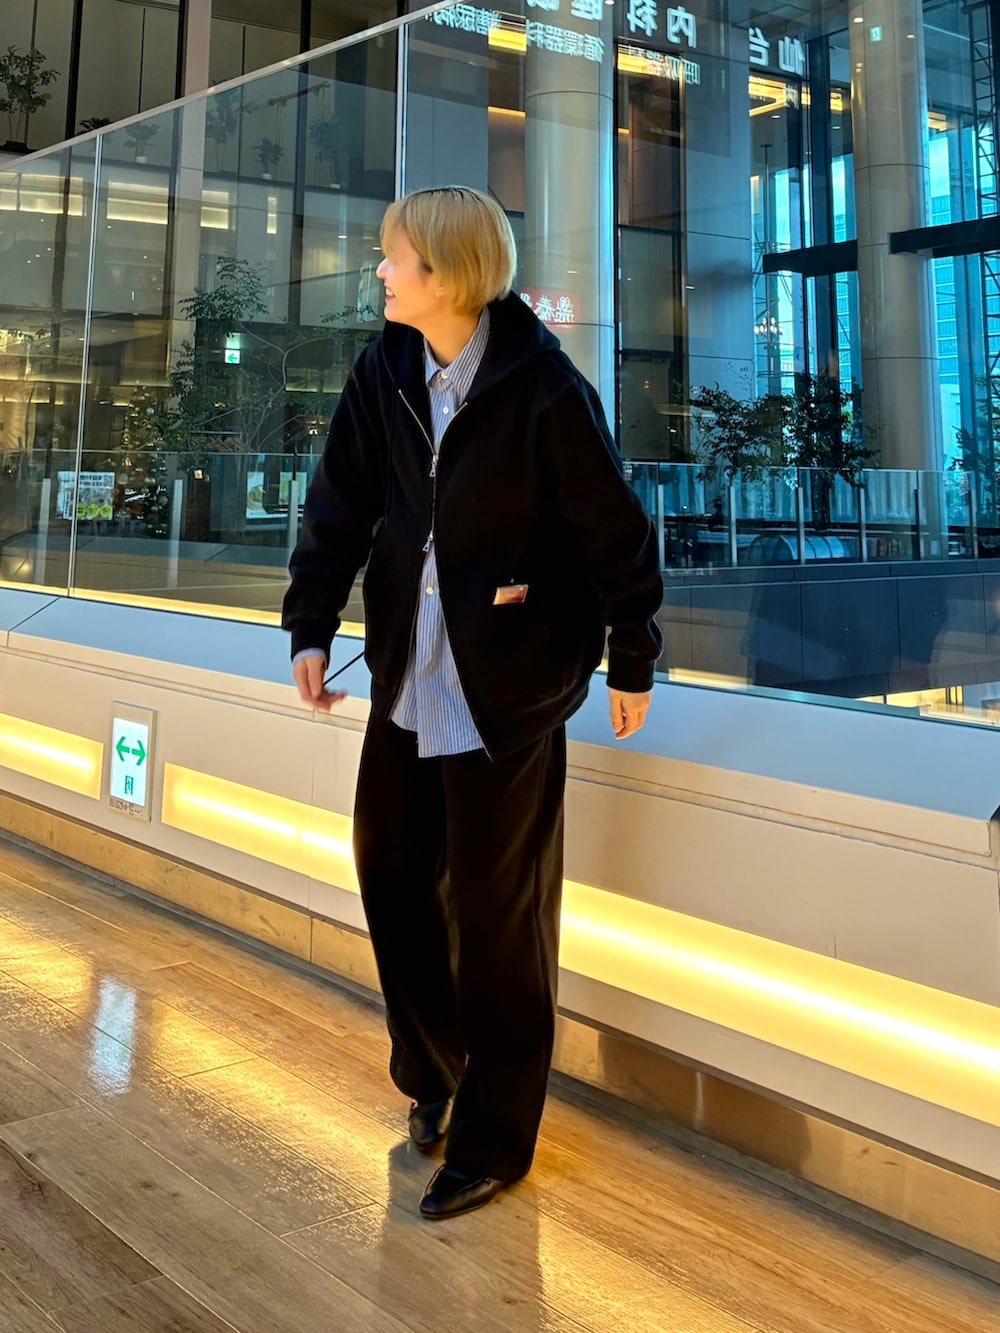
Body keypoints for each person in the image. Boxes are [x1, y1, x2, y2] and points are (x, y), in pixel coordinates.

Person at [282, 186, 663, 1220]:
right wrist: (310, 622)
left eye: (393, 256)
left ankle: (496, 1137)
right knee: (392, 878)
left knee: (502, 918)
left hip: (509, 690)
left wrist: (631, 658)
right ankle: (437, 1069)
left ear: (445, 275)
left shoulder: (544, 386)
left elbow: (616, 534)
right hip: (408, 676)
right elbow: (340, 502)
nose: (379, 270)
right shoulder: (384, 369)